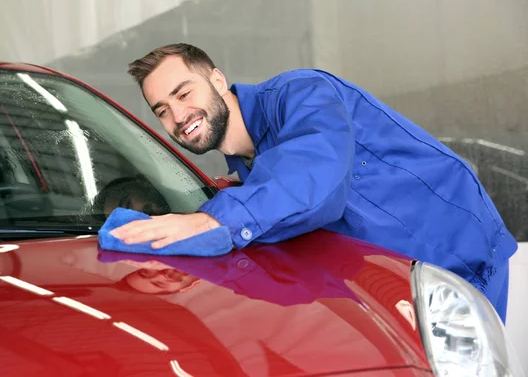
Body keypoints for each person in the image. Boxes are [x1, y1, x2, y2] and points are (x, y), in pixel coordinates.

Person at [110, 43, 517, 322]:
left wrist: (213, 221)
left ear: (217, 80)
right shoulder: (249, 166)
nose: (178, 116)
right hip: (394, 283)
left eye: (183, 93)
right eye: (162, 110)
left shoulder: (300, 92)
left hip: (458, 259)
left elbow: (314, 170)